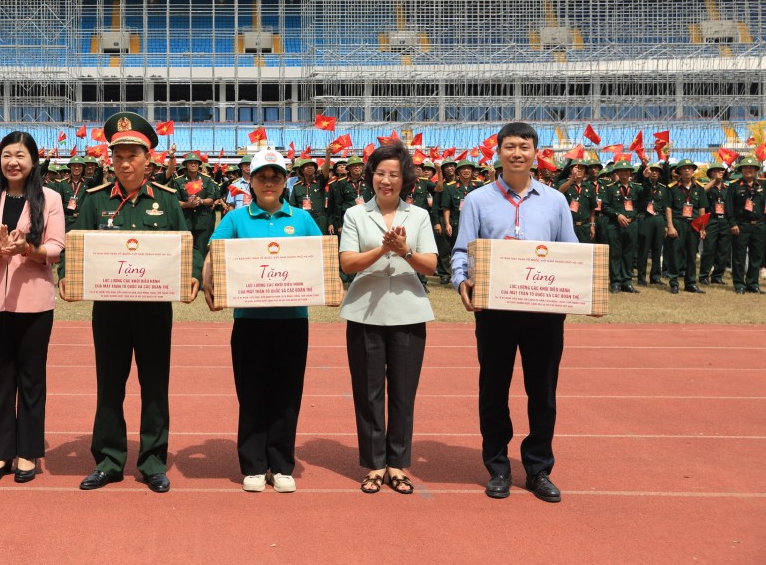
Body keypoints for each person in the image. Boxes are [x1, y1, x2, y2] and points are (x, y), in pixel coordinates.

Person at [63, 112, 199, 494]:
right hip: (109, 310)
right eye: (118, 155)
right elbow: (76, 246)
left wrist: (191, 272)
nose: (125, 162)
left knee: (155, 385)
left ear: (148, 159)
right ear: (111, 159)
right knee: (110, 385)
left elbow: (186, 246)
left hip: (155, 310)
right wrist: (66, 276)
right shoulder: (94, 202)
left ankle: (153, 461)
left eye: (133, 155)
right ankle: (108, 460)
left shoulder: (169, 202)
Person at [453, 122, 576, 503]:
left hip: (544, 312)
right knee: (493, 390)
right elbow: (462, 251)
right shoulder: (477, 200)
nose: (517, 153)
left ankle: (538, 468)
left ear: (536, 152)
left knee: (543, 391)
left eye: (524, 146)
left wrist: (583, 291)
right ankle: (498, 467)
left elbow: (570, 253)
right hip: (494, 311)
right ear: (499, 152)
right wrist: (462, 282)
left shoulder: (555, 201)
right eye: (510, 146)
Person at [198, 148, 322, 493]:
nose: (269, 183)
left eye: (276, 177)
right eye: (262, 177)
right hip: (249, 320)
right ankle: (253, 464)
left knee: (286, 393)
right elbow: (215, 254)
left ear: (286, 181)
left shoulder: (302, 219)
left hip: (293, 320)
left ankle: (281, 465)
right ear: (249, 181)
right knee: (251, 392)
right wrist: (209, 287)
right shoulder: (236, 219)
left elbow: (322, 259)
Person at [0, 132, 66, 484]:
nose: (13, 162)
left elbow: (55, 247)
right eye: (7, 154)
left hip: (35, 301)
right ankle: (1, 452)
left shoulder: (50, 198)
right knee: (0, 378)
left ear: (33, 161)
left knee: (32, 379)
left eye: (20, 155)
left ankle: (28, 451)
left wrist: (27, 250)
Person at [338, 143, 438, 495]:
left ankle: (397, 463)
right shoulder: (355, 215)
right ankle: (374, 465)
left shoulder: (419, 216)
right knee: (368, 393)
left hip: (409, 310)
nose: (386, 180)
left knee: (402, 393)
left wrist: (405, 251)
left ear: (405, 179)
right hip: (365, 310)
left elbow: (431, 264)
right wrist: (383, 248)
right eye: (380, 173)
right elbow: (347, 263)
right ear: (371, 177)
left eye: (394, 174)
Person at [666, 159, 708, 294]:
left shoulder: (700, 188)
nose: (687, 170)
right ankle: (674, 282)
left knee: (692, 254)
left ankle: (690, 283)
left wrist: (702, 228)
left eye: (690, 168)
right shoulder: (672, 188)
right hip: (678, 222)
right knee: (675, 253)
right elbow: (668, 208)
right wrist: (670, 226)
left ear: (693, 170)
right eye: (684, 168)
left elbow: (702, 208)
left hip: (694, 223)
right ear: (679, 171)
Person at [601, 161, 641, 293]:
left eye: (626, 171)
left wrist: (644, 169)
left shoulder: (636, 188)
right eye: (621, 171)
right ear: (617, 173)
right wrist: (617, 215)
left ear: (630, 173)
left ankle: (626, 281)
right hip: (615, 225)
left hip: (632, 224)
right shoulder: (610, 188)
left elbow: (644, 199)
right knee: (615, 254)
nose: (624, 173)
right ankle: (615, 282)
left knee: (629, 254)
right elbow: (605, 206)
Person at [728, 157, 764, 295]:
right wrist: (732, 224)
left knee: (756, 256)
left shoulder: (763, 185)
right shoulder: (734, 186)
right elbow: (729, 207)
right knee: (739, 256)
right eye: (745, 168)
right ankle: (739, 284)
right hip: (741, 225)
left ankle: (753, 283)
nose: (748, 170)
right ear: (741, 170)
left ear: (755, 170)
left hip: (759, 225)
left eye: (751, 168)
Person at [636, 162, 669, 286]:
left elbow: (665, 207)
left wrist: (665, 224)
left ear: (660, 174)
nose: (654, 173)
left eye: (657, 171)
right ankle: (641, 277)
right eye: (652, 171)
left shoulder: (663, 188)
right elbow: (642, 192)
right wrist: (645, 177)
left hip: (658, 219)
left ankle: (655, 276)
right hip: (645, 218)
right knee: (643, 248)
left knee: (657, 248)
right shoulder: (643, 185)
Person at [700, 163, 731, 285]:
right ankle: (703, 276)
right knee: (709, 249)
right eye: (716, 171)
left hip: (725, 220)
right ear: (711, 174)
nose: (720, 173)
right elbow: (701, 193)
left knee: (723, 250)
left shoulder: (727, 188)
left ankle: (717, 276)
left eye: (721, 171)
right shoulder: (706, 186)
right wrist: (714, 180)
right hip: (711, 220)